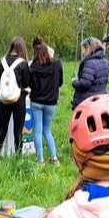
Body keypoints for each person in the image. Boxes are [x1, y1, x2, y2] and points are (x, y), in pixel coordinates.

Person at [28, 36, 64, 166]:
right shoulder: (57, 64)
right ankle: (54, 158)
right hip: (51, 103)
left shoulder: (32, 67)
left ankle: (40, 160)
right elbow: (60, 82)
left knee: (37, 131)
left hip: (36, 102)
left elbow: (28, 84)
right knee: (47, 130)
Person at [0, 37, 31, 157]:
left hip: (4, 100)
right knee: (18, 131)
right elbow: (26, 83)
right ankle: (18, 158)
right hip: (18, 100)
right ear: (22, 48)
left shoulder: (0, 62)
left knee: (2, 129)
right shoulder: (23, 63)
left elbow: (1, 80)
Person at [70, 37, 109, 111]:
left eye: (83, 49)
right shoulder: (105, 61)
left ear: (88, 48)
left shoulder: (89, 63)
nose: (82, 52)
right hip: (100, 101)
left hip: (87, 102)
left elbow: (85, 83)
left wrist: (74, 81)